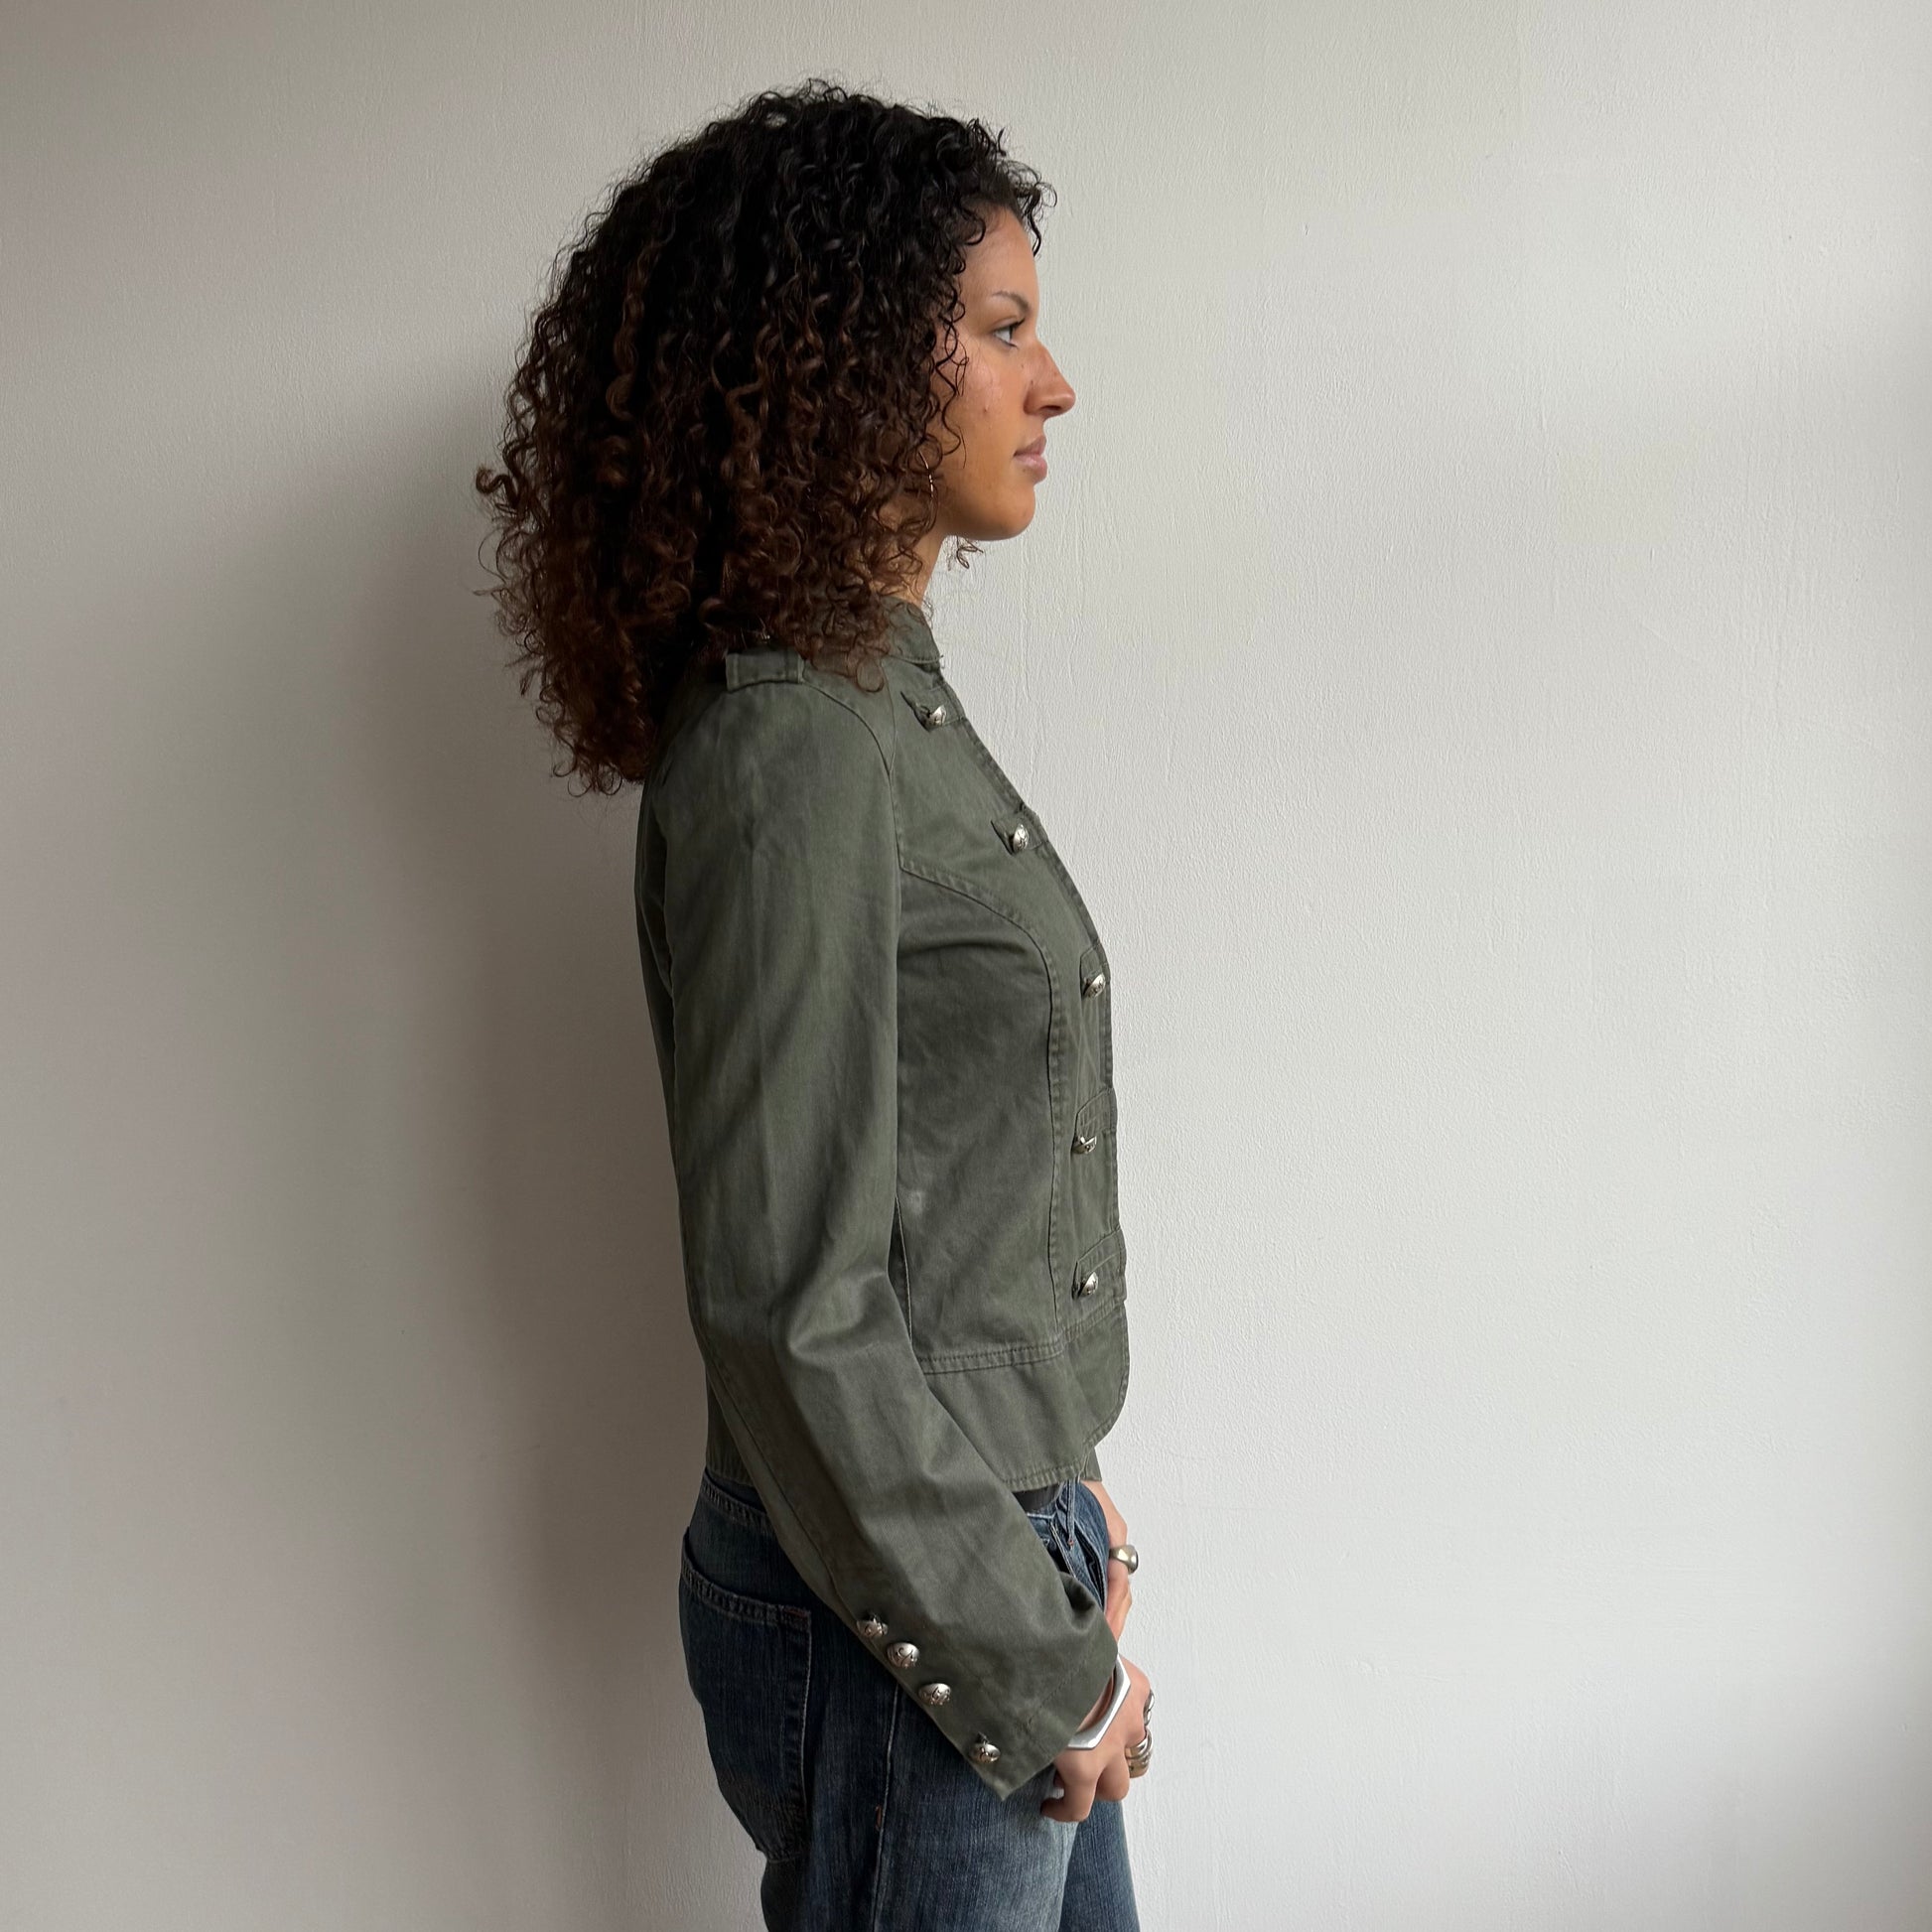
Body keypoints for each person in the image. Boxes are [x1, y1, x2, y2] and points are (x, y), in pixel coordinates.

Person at [475, 78, 1152, 1930]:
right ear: (843, 368)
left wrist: (1063, 1496)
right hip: (905, 1614)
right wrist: (1032, 1654)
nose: (1051, 384)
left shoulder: (876, 700)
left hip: (987, 1549)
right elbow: (791, 1305)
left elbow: (947, 1198)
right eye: (1000, 330)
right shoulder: (795, 741)